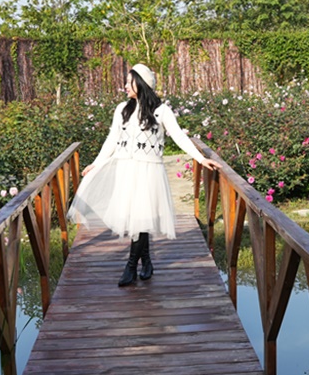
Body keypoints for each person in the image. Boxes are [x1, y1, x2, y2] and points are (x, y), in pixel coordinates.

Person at [69, 63, 219, 286]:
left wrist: (200, 158)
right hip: (126, 169)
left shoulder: (161, 111)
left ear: (141, 84)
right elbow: (111, 140)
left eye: (129, 82)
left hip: (149, 172)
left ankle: (131, 266)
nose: (125, 86)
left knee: (140, 219)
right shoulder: (122, 109)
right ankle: (146, 261)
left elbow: (178, 136)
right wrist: (97, 163)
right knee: (138, 217)